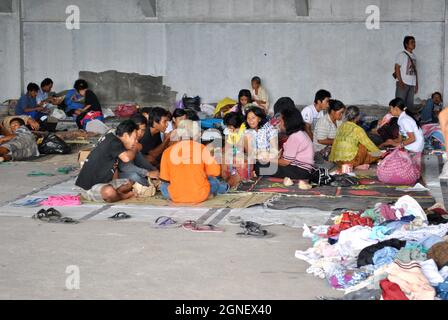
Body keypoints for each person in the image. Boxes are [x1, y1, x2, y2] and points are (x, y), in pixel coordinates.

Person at [159, 120, 229, 204]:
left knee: (163, 187)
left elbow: (165, 179)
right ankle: (223, 188)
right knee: (214, 182)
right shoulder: (202, 148)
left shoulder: (167, 152)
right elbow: (215, 172)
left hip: (176, 196)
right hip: (199, 195)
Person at [75, 120, 139, 203]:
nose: (136, 141)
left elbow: (113, 168)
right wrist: (135, 148)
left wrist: (115, 184)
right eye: (135, 138)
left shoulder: (112, 138)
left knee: (131, 182)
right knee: (109, 192)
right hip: (89, 187)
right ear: (126, 135)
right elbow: (126, 158)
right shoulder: (114, 142)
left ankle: (117, 193)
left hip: (104, 182)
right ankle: (125, 196)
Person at [273, 107, 315, 190]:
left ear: (288, 122)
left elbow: (285, 162)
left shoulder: (295, 136)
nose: (279, 123)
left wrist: (268, 159)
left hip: (300, 171)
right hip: (303, 170)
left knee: (261, 166)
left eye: (281, 121)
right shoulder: (300, 133)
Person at [329, 106, 380, 170]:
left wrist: (332, 157)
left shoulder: (341, 127)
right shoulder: (357, 129)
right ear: (357, 117)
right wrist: (379, 154)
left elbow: (335, 143)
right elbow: (369, 145)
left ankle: (354, 166)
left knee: (357, 146)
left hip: (339, 161)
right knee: (363, 147)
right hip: (351, 160)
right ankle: (355, 165)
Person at [118, 114, 159, 186]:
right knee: (135, 176)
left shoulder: (135, 142)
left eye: (143, 130)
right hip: (118, 173)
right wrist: (147, 173)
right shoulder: (124, 140)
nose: (139, 133)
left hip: (131, 169)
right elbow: (125, 167)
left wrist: (154, 170)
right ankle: (150, 186)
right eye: (137, 129)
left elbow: (140, 160)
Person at [244, 106, 278, 176]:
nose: (250, 121)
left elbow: (274, 151)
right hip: (256, 161)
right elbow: (250, 154)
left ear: (259, 119)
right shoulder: (247, 132)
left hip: (269, 161)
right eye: (248, 118)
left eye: (253, 118)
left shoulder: (269, 129)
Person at [395, 36, 418, 111]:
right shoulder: (402, 55)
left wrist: (416, 84)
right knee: (399, 104)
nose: (414, 44)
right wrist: (400, 81)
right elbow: (397, 68)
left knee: (409, 105)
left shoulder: (414, 56)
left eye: (414, 42)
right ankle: (397, 121)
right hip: (403, 83)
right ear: (406, 44)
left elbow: (415, 71)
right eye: (412, 42)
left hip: (412, 84)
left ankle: (408, 120)